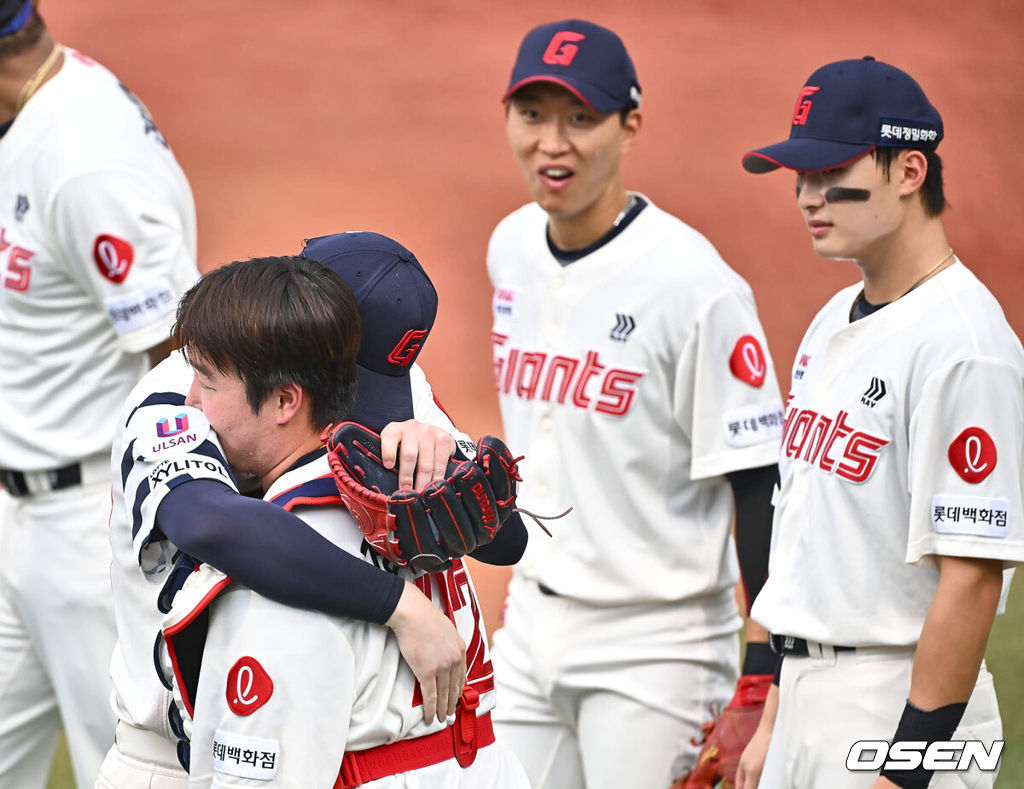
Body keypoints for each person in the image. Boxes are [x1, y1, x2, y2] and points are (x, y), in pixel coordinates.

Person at [99, 231, 528, 787]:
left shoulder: (397, 384)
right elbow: (207, 521)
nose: (357, 416)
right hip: (167, 754)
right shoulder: (183, 394)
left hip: (307, 728)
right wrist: (401, 604)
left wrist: (439, 456)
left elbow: (504, 537)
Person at [486, 19, 785, 789]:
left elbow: (757, 484)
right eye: (533, 115)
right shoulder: (511, 246)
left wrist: (762, 671)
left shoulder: (693, 286)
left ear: (630, 127)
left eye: (581, 119)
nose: (553, 143)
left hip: (659, 645)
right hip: (529, 622)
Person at [737, 57, 1023, 789]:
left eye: (830, 173)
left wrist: (907, 771)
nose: (808, 198)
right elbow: (805, 535)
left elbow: (972, 577)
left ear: (908, 171)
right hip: (806, 700)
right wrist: (774, 715)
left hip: (900, 708)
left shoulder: (967, 347)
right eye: (799, 178)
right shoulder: (836, 315)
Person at [0, 2, 200, 786]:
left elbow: (184, 354)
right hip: (17, 511)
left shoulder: (85, 158)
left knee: (127, 766)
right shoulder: (32, 111)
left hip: (91, 527)